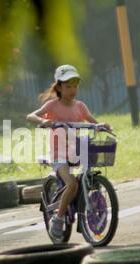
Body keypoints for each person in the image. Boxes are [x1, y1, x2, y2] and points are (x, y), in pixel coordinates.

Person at [26, 65, 113, 241]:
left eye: (75, 86)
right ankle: (58, 219)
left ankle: (84, 201)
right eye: (68, 86)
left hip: (76, 151)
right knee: (72, 184)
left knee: (87, 173)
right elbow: (31, 116)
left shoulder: (80, 106)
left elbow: (93, 122)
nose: (72, 90)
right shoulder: (52, 105)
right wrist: (44, 121)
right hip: (59, 155)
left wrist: (103, 126)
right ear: (58, 87)